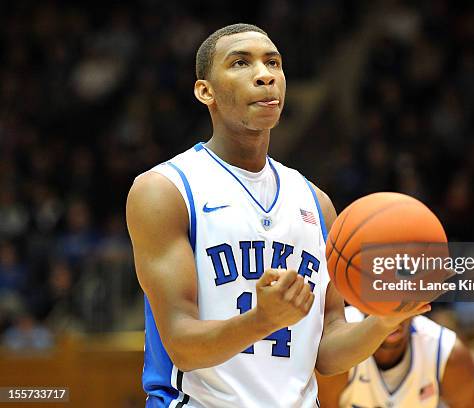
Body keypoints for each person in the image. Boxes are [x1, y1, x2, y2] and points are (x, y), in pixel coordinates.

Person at [126, 23, 431, 408]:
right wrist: (262, 320)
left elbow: (327, 351)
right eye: (240, 63)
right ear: (206, 91)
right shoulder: (165, 190)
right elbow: (182, 346)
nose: (265, 74)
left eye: (274, 63)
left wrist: (382, 321)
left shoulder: (315, 203)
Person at [317, 307, 474, 408]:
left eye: (400, 301)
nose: (391, 311)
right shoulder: (339, 345)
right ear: (361, 300)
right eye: (381, 299)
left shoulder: (448, 353)